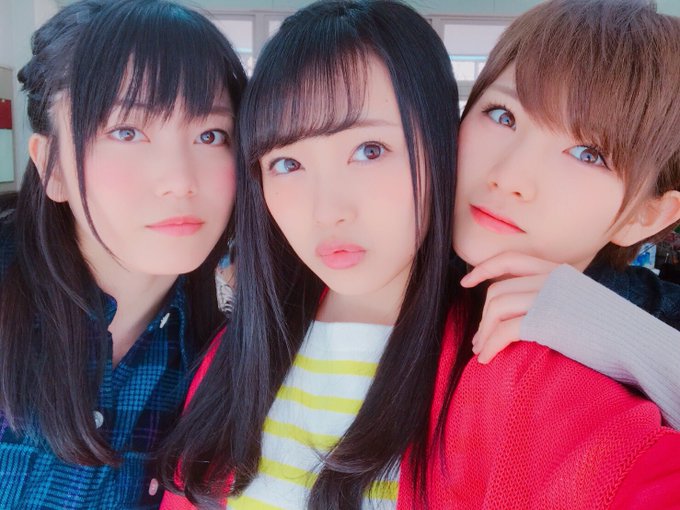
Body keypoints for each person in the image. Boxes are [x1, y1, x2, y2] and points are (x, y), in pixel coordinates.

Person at [159, 1, 680, 508]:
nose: (509, 176)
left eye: (589, 154)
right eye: (502, 115)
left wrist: (634, 341)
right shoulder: (238, 351)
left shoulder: (540, 382)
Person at [0, 0, 246, 508]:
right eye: (126, 131)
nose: (180, 180)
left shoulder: (229, 363)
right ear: (52, 168)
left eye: (210, 135)